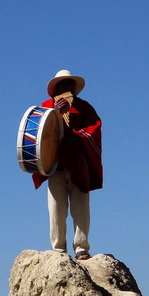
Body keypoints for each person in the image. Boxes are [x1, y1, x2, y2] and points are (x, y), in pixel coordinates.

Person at [32, 70, 103, 260]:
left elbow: (94, 129)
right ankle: (59, 249)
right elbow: (39, 133)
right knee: (56, 208)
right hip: (55, 164)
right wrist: (56, 113)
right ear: (56, 88)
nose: (67, 88)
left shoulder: (85, 107)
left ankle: (81, 248)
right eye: (63, 85)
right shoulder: (46, 106)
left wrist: (78, 137)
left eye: (70, 84)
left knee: (81, 207)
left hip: (79, 163)